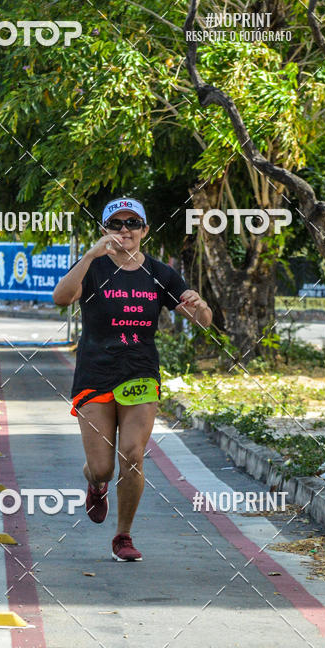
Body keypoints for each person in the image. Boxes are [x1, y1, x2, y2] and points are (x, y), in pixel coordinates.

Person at [53, 198, 212, 561]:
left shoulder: (159, 273)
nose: (124, 230)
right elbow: (61, 297)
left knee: (133, 454)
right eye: (116, 224)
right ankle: (96, 482)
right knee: (103, 466)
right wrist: (90, 256)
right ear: (105, 229)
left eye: (132, 223)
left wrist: (198, 305)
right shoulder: (92, 268)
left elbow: (204, 321)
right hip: (95, 373)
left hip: (140, 373)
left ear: (145, 230)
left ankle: (123, 535)